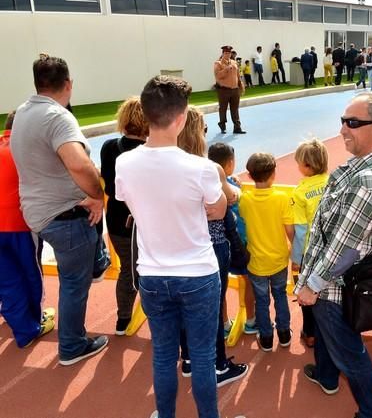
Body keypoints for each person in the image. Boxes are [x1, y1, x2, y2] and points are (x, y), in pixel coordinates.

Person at [116, 75, 226, 418]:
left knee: (164, 354)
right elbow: (217, 210)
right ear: (180, 119)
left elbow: (128, 201)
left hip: (151, 275)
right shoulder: (202, 168)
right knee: (203, 356)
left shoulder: (124, 162)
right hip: (199, 276)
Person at [295, 92, 372, 418]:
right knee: (328, 334)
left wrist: (311, 286)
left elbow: (342, 247)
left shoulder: (367, 181)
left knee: (350, 353)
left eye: (352, 123)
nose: (343, 129)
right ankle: (326, 375)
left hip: (333, 286)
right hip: (333, 283)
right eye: (343, 121)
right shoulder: (364, 163)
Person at [11, 54, 110, 366]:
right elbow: (79, 164)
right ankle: (72, 346)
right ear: (68, 84)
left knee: (74, 275)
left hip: (38, 213)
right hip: (64, 216)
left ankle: (97, 263)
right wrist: (98, 195)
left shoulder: (25, 111)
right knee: (73, 284)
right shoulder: (57, 117)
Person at [175, 106, 249, 388]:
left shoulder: (167, 167)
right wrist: (235, 187)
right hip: (211, 245)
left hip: (180, 244)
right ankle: (218, 365)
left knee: (183, 305)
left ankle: (191, 359)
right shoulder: (209, 168)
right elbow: (229, 199)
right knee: (212, 307)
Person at [0, 111, 55, 349]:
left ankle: (21, 323)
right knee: (30, 274)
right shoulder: (25, 152)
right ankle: (31, 324)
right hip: (19, 224)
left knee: (7, 279)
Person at [100, 97, 148, 335]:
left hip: (116, 219)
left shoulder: (109, 147)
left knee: (127, 269)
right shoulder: (148, 151)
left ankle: (123, 317)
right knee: (144, 270)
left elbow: (108, 185)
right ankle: (127, 317)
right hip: (143, 221)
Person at [239, 153, 294, 352]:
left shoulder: (245, 200)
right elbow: (290, 231)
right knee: (280, 295)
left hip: (256, 261)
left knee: (261, 299)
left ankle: (267, 336)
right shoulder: (281, 198)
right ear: (273, 174)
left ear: (250, 176)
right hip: (278, 259)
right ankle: (285, 332)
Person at [208, 143, 257, 336]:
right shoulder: (234, 188)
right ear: (229, 163)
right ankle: (252, 320)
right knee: (250, 279)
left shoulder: (207, 183)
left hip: (215, 242)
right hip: (238, 243)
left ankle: (225, 324)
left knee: (219, 285)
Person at [290, 139, 329, 349]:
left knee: (306, 292)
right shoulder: (332, 182)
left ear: (307, 166)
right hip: (332, 249)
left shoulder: (300, 192)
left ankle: (310, 332)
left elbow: (300, 229)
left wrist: (297, 257)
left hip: (310, 252)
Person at [214, 45, 245, 135]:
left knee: (235, 109)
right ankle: (222, 126)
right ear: (223, 53)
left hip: (235, 89)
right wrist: (226, 69)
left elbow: (237, 75)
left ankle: (237, 127)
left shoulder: (234, 62)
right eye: (226, 53)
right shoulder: (218, 63)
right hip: (224, 90)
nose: (228, 54)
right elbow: (217, 75)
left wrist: (240, 84)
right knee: (223, 109)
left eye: (229, 53)